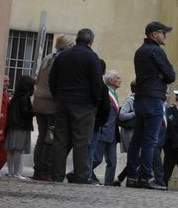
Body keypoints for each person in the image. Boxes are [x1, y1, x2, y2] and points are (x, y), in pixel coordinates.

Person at [48, 28, 106, 184]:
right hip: (83, 104)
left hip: (62, 101)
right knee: (81, 141)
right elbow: (97, 83)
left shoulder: (63, 56)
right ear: (91, 41)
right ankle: (81, 176)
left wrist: (58, 97)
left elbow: (52, 80)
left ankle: (57, 175)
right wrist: (94, 102)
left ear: (77, 39)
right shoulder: (91, 57)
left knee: (60, 140)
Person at [126, 22, 175, 190]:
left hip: (140, 98)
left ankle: (132, 176)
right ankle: (146, 177)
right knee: (150, 141)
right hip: (154, 98)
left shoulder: (140, 51)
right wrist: (162, 75)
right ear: (154, 34)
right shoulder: (156, 51)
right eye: (163, 33)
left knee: (137, 139)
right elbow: (170, 75)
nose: (165, 36)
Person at [30, 33, 72, 182]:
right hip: (51, 103)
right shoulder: (61, 59)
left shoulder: (48, 57)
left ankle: (38, 170)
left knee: (42, 136)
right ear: (67, 46)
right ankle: (45, 170)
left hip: (39, 101)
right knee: (50, 137)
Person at [89, 70, 123, 185]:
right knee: (97, 159)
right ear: (111, 80)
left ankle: (108, 184)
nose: (120, 80)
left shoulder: (114, 93)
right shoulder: (106, 94)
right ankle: (79, 172)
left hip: (113, 133)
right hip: (103, 131)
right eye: (118, 78)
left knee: (112, 162)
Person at [3, 75, 35, 180]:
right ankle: (17, 173)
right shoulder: (25, 98)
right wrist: (35, 111)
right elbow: (25, 113)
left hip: (12, 127)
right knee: (18, 150)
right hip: (21, 127)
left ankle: (11, 173)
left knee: (11, 151)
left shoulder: (14, 98)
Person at [0, 76, 11, 174]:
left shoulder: (5, 95)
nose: (8, 83)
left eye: (8, 81)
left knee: (4, 154)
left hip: (4, 129)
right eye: (5, 81)